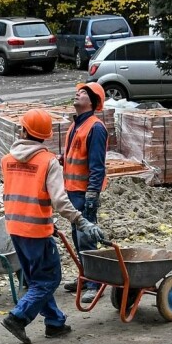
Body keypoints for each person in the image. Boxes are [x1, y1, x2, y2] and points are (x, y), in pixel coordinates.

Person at [1, 108, 107, 344]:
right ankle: (18, 317)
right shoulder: (47, 161)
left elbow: (14, 194)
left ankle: (55, 323)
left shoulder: (7, 160)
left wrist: (49, 222)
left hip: (15, 229)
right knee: (49, 280)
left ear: (23, 130)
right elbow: (60, 200)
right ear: (45, 135)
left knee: (38, 280)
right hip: (36, 232)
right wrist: (82, 221)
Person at [61, 81, 109, 292]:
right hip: (72, 191)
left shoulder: (96, 128)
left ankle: (94, 283)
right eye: (78, 92)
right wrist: (61, 159)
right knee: (76, 237)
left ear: (93, 101)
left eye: (83, 93)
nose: (77, 95)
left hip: (84, 192)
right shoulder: (76, 125)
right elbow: (75, 155)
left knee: (86, 239)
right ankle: (85, 275)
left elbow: (97, 165)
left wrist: (92, 194)